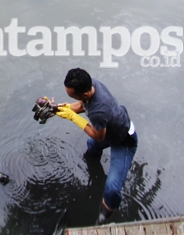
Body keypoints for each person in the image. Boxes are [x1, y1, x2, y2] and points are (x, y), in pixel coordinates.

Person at [53, 68, 138, 226]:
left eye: (71, 96)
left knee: (112, 189)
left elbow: (99, 136)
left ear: (85, 94)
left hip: (123, 140)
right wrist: (58, 108)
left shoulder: (98, 112)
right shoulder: (93, 85)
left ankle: (104, 217)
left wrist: (73, 118)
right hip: (112, 125)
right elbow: (82, 105)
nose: (70, 98)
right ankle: (94, 167)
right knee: (92, 147)